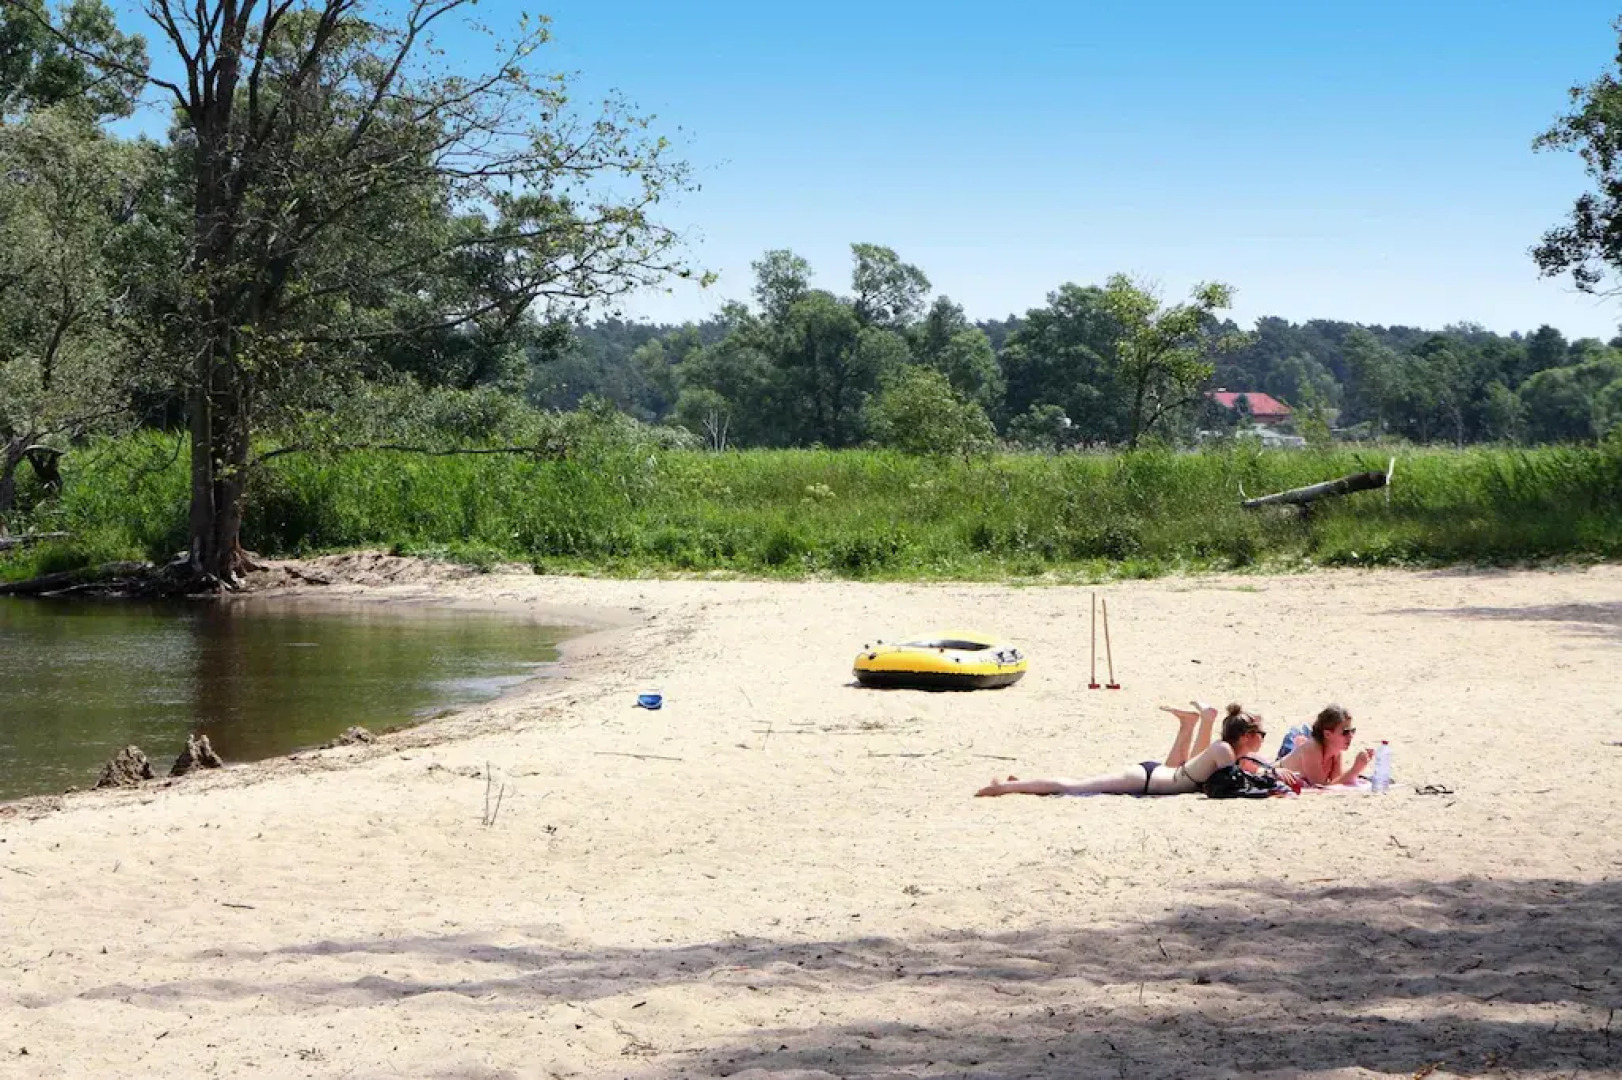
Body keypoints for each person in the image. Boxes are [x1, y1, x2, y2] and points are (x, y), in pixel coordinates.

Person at [976, 703, 1281, 797]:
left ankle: (1018, 783)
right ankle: (1004, 787)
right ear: (1247, 735)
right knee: (1073, 787)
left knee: (1076, 785)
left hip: (1164, 774)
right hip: (1145, 780)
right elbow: (1233, 787)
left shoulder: (1226, 751)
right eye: (1262, 735)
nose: (1263, 741)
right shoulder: (1224, 751)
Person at [1274, 704, 1372, 787]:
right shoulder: (1312, 749)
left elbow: (1336, 782)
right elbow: (1321, 787)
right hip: (1273, 774)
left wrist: (1358, 768)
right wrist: (1355, 769)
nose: (1350, 736)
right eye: (1345, 732)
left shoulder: (1335, 751)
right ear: (1327, 734)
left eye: (1352, 731)